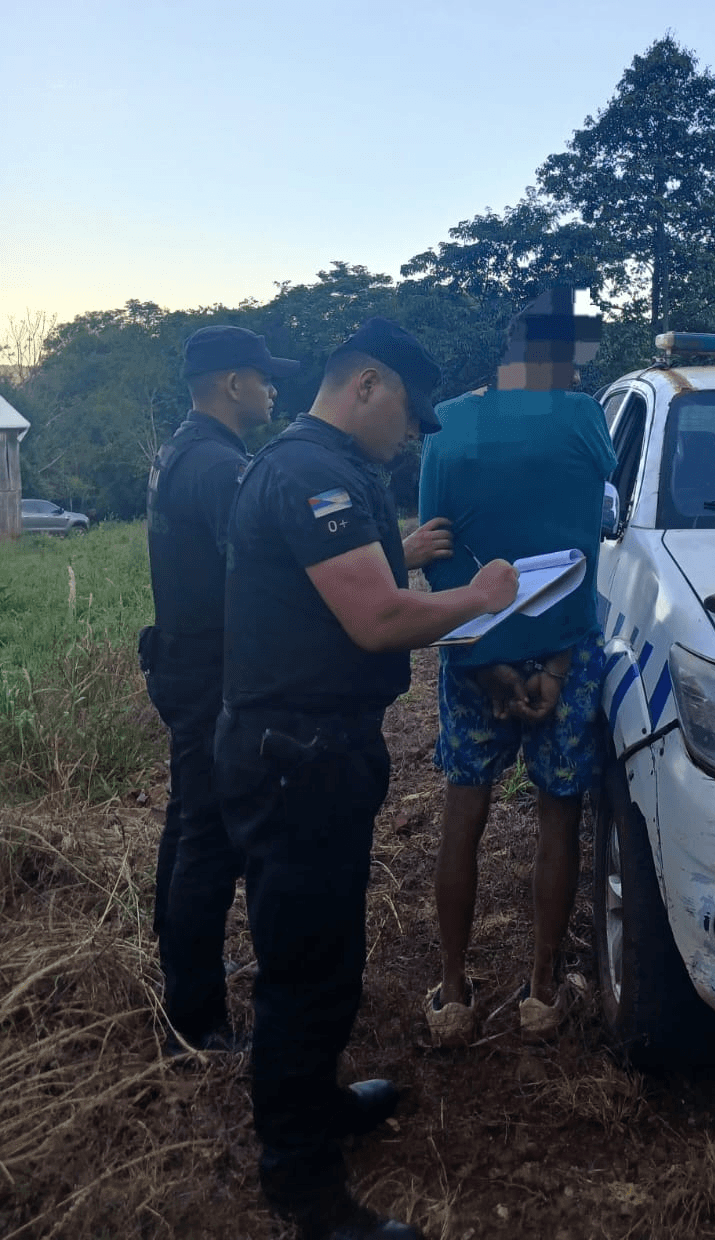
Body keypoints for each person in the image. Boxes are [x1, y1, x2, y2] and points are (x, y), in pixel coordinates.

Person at [214, 318, 517, 1240]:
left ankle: (317, 1108)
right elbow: (379, 621)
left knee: (328, 954)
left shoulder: (323, 466)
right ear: (370, 385)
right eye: (409, 417)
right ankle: (302, 1187)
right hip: (293, 757)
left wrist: (416, 567)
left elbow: (360, 587)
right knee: (304, 972)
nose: (412, 435)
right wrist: (480, 597)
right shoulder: (309, 471)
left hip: (317, 750)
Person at [418, 287, 616, 1045]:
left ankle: (453, 992)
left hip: (474, 649)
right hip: (564, 650)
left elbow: (437, 553)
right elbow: (589, 535)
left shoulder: (448, 425)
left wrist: (488, 666)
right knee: (558, 817)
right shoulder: (582, 416)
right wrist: (556, 667)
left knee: (463, 816)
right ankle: (539, 993)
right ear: (559, 354)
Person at [141, 323, 300, 1052]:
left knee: (189, 821)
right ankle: (196, 1021)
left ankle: (183, 971)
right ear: (233, 384)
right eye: (265, 378)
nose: (274, 389)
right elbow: (262, 560)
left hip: (182, 662)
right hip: (208, 674)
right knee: (210, 836)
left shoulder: (185, 446)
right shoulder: (214, 464)